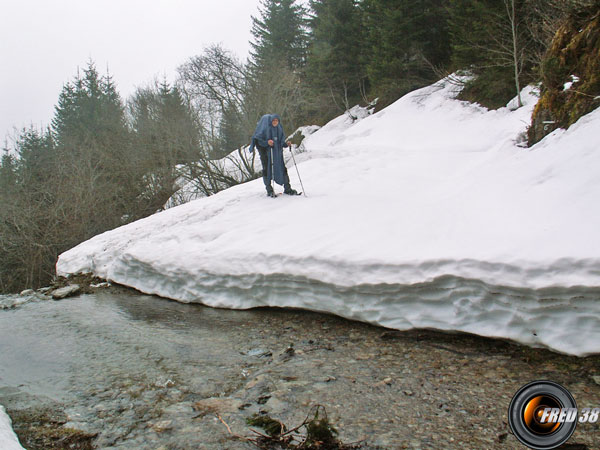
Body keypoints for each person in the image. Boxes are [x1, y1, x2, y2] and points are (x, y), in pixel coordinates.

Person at [249, 114, 300, 197]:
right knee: (267, 169)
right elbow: (259, 141)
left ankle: (287, 188)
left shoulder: (279, 129)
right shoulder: (264, 130)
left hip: (277, 152)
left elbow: (281, 141)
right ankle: (269, 190)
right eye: (273, 121)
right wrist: (267, 143)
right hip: (266, 153)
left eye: (276, 120)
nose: (275, 122)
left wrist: (286, 144)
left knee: (282, 167)